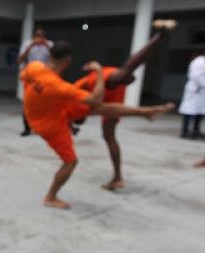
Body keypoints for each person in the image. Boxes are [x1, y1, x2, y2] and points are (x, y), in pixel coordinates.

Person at [21, 41, 174, 209]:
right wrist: (100, 72)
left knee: (98, 109)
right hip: (49, 123)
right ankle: (50, 197)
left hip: (49, 109)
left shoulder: (34, 67)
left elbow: (25, 78)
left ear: (50, 56)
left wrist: (38, 95)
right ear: (68, 61)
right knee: (70, 161)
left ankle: (146, 112)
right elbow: (95, 97)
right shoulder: (60, 87)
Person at [74, 21, 174, 191]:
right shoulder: (86, 105)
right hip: (108, 89)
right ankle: (118, 177)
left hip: (107, 84)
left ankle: (161, 36)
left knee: (126, 72)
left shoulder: (79, 100)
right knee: (109, 136)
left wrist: (72, 125)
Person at [18, 28, 53, 137]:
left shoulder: (50, 44)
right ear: (33, 36)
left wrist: (46, 46)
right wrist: (31, 46)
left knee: (43, 102)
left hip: (45, 75)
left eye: (41, 36)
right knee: (28, 102)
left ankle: (41, 127)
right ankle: (27, 128)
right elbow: (20, 59)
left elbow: (56, 59)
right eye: (37, 36)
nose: (39, 38)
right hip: (30, 75)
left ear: (44, 37)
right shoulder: (27, 44)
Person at [179, 47, 205, 139]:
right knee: (189, 110)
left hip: (201, 90)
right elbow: (196, 76)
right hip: (196, 89)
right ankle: (185, 131)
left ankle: (195, 130)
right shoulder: (199, 62)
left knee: (200, 110)